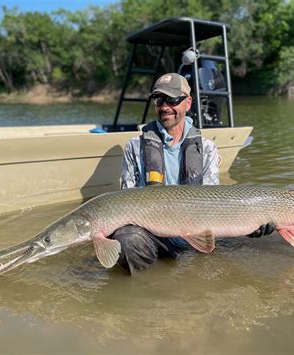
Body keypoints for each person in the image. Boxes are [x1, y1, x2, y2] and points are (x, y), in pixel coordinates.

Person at [112, 73, 273, 275]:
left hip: (197, 236)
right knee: (126, 240)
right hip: (153, 236)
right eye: (159, 100)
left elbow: (215, 203)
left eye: (172, 100)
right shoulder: (134, 147)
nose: (165, 107)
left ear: (188, 103)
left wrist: (253, 224)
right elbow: (126, 201)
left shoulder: (207, 148)